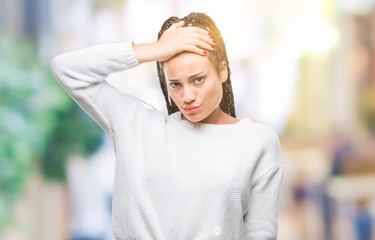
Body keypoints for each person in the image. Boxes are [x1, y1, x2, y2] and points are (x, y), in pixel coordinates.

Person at [51, 11, 283, 240]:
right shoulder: (135, 125)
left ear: (223, 70)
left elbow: (260, 234)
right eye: (175, 84)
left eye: (198, 79)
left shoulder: (256, 141)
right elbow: (66, 68)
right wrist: (154, 50)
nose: (187, 96)